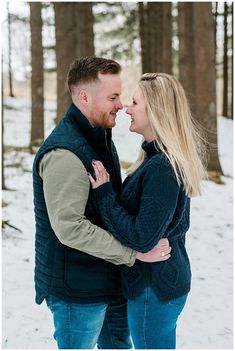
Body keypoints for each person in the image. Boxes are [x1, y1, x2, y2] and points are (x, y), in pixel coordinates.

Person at [32, 57, 171, 349]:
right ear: (84, 97)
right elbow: (70, 228)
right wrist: (133, 254)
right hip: (78, 292)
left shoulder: (100, 136)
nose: (120, 105)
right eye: (113, 97)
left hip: (110, 281)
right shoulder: (64, 153)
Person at [88, 73, 207, 349]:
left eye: (135, 103)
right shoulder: (155, 159)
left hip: (153, 290)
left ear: (156, 110)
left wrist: (105, 196)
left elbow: (142, 237)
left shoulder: (163, 167)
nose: (127, 110)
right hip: (160, 284)